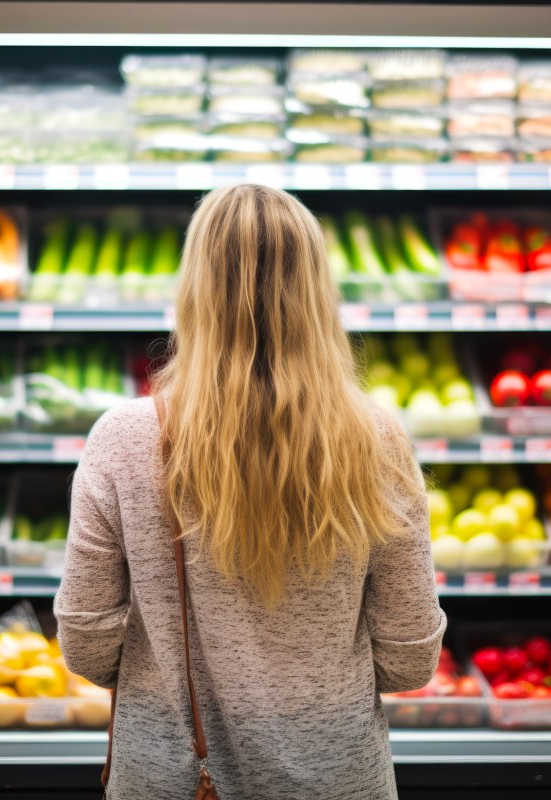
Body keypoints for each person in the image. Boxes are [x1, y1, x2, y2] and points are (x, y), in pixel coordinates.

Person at [55, 184, 445, 800]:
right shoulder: (378, 440)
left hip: (173, 778)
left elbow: (84, 641)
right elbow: (409, 659)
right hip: (337, 777)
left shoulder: (125, 438)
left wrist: (162, 663)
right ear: (317, 291)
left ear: (194, 290)